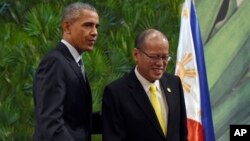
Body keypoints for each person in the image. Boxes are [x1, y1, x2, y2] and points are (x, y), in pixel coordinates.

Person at [102, 29, 188, 141]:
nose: (160, 63)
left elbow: (182, 134)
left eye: (165, 57)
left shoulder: (174, 83)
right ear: (136, 55)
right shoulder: (116, 93)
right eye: (154, 57)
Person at [32, 2, 101, 141]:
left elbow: (77, 121)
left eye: (96, 26)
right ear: (67, 27)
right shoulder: (55, 62)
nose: (94, 32)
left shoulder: (73, 62)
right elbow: (50, 122)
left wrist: (121, 115)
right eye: (88, 25)